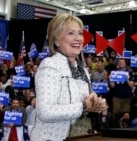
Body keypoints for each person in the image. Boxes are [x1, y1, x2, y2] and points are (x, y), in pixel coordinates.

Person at [30, 13, 107, 141]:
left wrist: (96, 104)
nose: (78, 38)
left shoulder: (82, 69)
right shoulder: (50, 65)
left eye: (80, 33)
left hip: (79, 135)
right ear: (56, 40)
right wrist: (83, 106)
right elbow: (45, 112)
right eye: (71, 33)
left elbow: (85, 105)